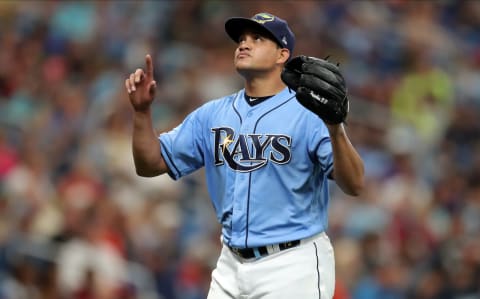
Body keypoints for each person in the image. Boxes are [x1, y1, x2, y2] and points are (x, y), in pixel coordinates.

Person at [124, 12, 364, 299]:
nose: (244, 44)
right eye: (241, 39)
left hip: (292, 262)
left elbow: (355, 184)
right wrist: (141, 113)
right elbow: (150, 165)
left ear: (282, 54)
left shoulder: (310, 114)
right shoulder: (212, 114)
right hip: (230, 262)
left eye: (257, 38)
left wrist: (336, 129)